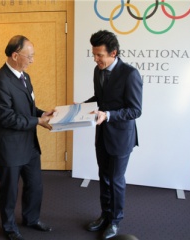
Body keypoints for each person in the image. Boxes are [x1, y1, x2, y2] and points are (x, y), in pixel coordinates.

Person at [0, 35, 54, 240]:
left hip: (29, 144)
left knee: (35, 185)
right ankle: (9, 227)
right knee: (9, 191)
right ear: (15, 55)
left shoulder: (25, 76)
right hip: (9, 147)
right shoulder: (0, 81)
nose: (32, 60)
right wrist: (38, 122)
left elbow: (28, 108)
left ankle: (31, 219)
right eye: (30, 56)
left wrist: (42, 115)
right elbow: (7, 118)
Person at [83, 30, 143, 239]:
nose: (96, 59)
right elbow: (100, 98)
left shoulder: (130, 74)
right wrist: (82, 107)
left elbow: (135, 110)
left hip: (121, 137)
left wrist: (108, 115)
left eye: (100, 55)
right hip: (102, 135)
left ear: (113, 53)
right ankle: (105, 215)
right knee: (104, 177)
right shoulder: (97, 70)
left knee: (116, 179)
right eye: (94, 54)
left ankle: (115, 221)